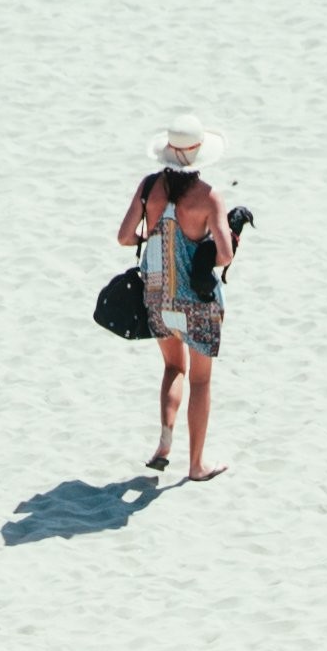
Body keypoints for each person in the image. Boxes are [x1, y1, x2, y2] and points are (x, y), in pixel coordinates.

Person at [120, 121, 244, 478]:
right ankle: (196, 465)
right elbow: (224, 256)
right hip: (197, 302)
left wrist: (152, 233)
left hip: (157, 295)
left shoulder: (149, 187)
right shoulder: (209, 196)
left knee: (173, 368)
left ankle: (164, 442)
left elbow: (125, 237)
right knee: (201, 381)